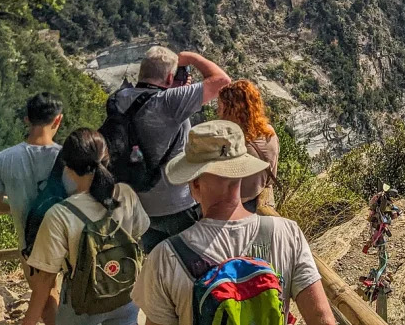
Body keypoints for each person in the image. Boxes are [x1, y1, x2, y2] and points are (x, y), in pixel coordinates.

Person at [131, 120, 335, 325]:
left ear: (194, 183)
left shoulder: (166, 257)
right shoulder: (287, 234)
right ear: (243, 173)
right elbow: (322, 319)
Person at [109, 46, 231, 253]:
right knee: (197, 265)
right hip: (178, 204)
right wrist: (191, 58)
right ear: (169, 79)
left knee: (161, 268)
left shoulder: (119, 99)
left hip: (142, 207)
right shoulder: (169, 102)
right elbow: (222, 81)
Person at [23, 129, 149, 325]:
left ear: (68, 168)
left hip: (81, 305)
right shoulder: (126, 194)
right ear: (107, 158)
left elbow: (45, 281)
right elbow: (138, 236)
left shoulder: (60, 215)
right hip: (125, 294)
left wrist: (27, 322)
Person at [0, 92, 64, 324]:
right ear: (58, 120)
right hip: (66, 237)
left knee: (45, 296)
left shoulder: (3, 159)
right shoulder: (66, 156)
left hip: (30, 243)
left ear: (26, 119)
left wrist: (16, 206)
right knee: (60, 293)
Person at [217, 80, 280, 215]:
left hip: (235, 208)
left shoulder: (232, 143)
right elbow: (272, 176)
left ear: (231, 109)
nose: (218, 111)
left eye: (221, 106)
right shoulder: (270, 133)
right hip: (259, 200)